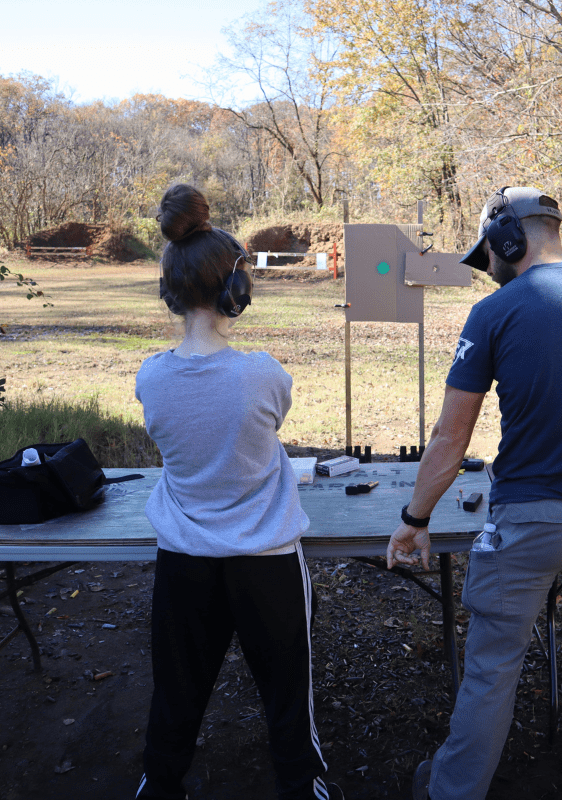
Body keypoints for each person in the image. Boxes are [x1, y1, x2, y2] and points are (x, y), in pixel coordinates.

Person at [386, 187, 562, 800]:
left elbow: (449, 435)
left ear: (508, 239)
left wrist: (415, 516)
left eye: (486, 253)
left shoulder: (495, 313)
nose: (486, 266)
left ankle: (450, 792)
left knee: (492, 669)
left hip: (526, 523)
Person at [134, 184, 335, 800]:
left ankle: (159, 785)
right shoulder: (263, 373)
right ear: (235, 291)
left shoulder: (151, 377)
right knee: (286, 695)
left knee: (176, 692)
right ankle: (302, 788)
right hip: (266, 565)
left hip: (185, 562)